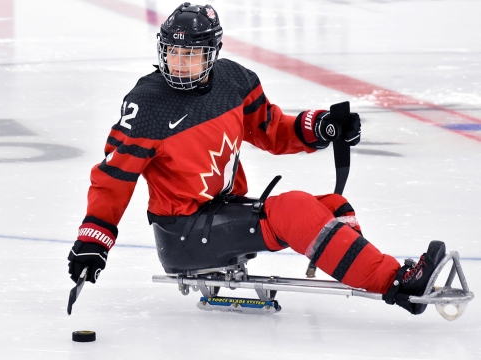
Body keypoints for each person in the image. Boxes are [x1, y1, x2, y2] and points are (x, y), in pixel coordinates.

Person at [67, 2, 446, 315]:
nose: (179, 63)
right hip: (183, 233)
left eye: (191, 54)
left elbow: (272, 129)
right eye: (172, 52)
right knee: (294, 209)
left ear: (212, 54)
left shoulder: (234, 81)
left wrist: (321, 127)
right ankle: (396, 281)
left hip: (221, 211)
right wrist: (93, 240)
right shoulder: (146, 104)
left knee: (332, 206)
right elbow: (114, 176)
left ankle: (359, 266)